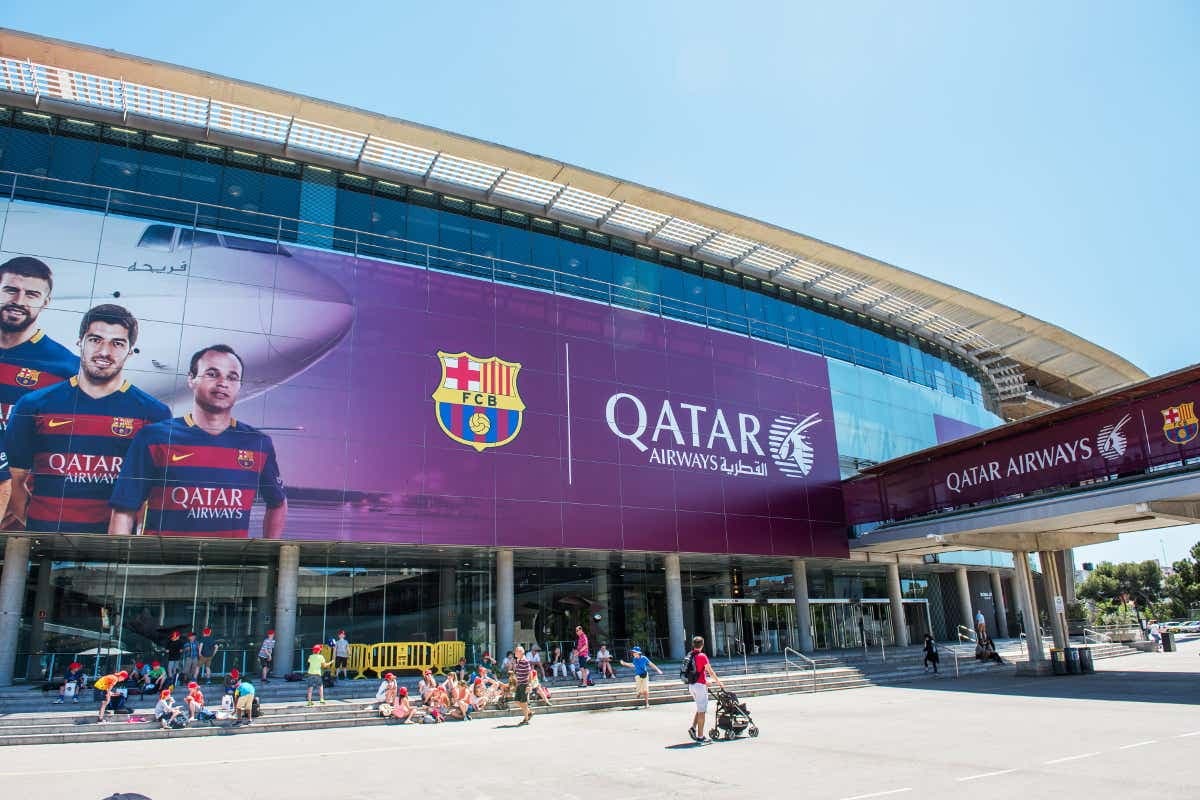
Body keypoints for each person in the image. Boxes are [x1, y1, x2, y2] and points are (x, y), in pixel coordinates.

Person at [4, 304, 170, 533]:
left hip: (108, 553)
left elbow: (150, 495)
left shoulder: (155, 413)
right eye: (95, 339)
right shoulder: (33, 404)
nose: (104, 351)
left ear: (131, 351)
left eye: (117, 343)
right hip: (41, 548)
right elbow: (16, 482)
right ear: (80, 342)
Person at [109, 344, 288, 538]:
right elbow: (123, 510)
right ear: (191, 379)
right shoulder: (153, 437)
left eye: (232, 377)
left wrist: (269, 554)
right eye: (212, 374)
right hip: (162, 567)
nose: (223, 383)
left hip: (227, 567)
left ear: (239, 386)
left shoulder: (258, 443)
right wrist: (119, 563)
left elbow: (278, 504)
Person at [0, 256, 79, 515]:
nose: (19, 301)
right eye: (11, 290)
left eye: (31, 294)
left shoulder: (66, 368)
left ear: (45, 302)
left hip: (17, 505)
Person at [685, 635, 724, 743]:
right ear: (702, 645)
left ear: (693, 645)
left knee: (699, 707)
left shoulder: (690, 655)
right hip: (700, 686)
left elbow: (695, 671)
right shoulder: (702, 656)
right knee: (702, 711)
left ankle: (693, 728)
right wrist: (719, 682)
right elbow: (710, 671)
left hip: (691, 685)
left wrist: (705, 681)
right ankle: (701, 736)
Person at [511, 644, 534, 725]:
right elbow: (517, 672)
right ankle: (529, 712)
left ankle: (526, 719)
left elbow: (530, 673)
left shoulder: (525, 661)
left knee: (523, 702)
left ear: (521, 652)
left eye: (516, 651)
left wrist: (529, 685)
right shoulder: (519, 660)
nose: (515, 653)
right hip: (520, 684)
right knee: (517, 701)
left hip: (524, 684)